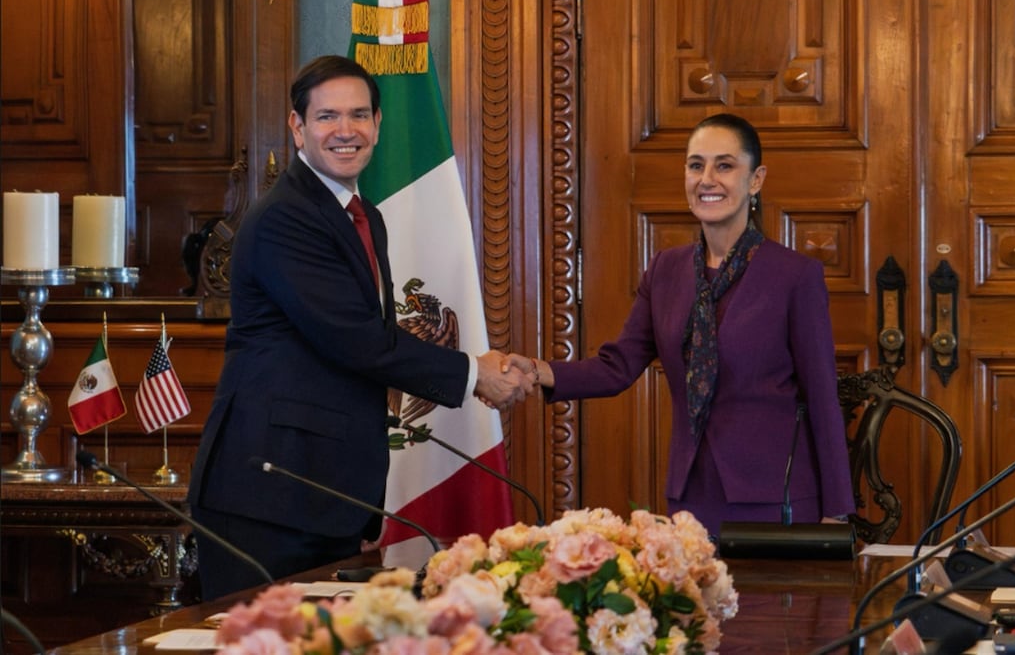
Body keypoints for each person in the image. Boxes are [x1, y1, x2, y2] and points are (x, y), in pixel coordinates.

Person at [188, 55, 533, 600]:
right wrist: (473, 374)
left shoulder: (363, 214)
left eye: (359, 115)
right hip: (269, 495)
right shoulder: (286, 217)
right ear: (297, 127)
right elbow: (355, 340)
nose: (345, 131)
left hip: (328, 494)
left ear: (377, 124)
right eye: (327, 117)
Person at [506, 113, 854, 538]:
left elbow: (822, 396)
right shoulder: (666, 270)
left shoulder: (794, 276)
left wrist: (836, 513)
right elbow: (618, 366)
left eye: (724, 165)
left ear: (756, 179)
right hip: (691, 494)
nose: (707, 179)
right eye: (695, 165)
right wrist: (536, 370)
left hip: (774, 497)